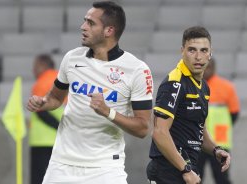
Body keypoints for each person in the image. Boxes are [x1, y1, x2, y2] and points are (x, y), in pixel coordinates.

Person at [26, 1, 153, 184]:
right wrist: (43, 102)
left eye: (91, 23)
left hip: (105, 168)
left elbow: (143, 128)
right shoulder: (72, 58)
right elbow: (55, 98)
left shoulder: (137, 70)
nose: (83, 27)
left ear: (109, 30)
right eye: (85, 21)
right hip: (62, 164)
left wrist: (108, 112)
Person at [146, 26, 231, 184]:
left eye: (204, 50)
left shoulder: (203, 86)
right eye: (192, 50)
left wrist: (215, 149)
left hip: (187, 169)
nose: (198, 56)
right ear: (182, 51)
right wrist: (184, 169)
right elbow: (159, 132)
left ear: (210, 54)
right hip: (168, 172)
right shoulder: (174, 83)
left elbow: (199, 129)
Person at [197, 58, 240, 184]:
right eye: (204, 67)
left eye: (208, 67)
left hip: (220, 141)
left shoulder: (227, 87)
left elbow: (234, 113)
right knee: (196, 176)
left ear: (214, 68)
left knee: (222, 178)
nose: (206, 70)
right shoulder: (194, 86)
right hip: (198, 140)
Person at [29, 54, 65, 184]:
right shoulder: (63, 80)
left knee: (39, 179)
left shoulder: (41, 82)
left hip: (42, 143)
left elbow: (41, 112)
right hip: (62, 141)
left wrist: (59, 126)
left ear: (42, 66)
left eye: (35, 67)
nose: (33, 70)